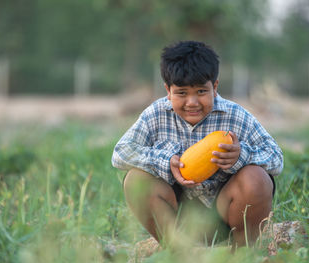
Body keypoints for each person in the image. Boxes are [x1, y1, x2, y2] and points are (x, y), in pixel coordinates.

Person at [112, 41, 283, 249]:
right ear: (168, 90)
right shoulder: (156, 115)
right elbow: (121, 152)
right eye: (182, 93)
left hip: (225, 213)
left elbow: (276, 158)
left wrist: (241, 156)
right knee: (135, 180)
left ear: (215, 87)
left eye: (201, 92)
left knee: (257, 178)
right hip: (178, 215)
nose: (192, 102)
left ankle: (240, 253)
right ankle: (179, 253)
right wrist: (163, 161)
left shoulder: (235, 116)